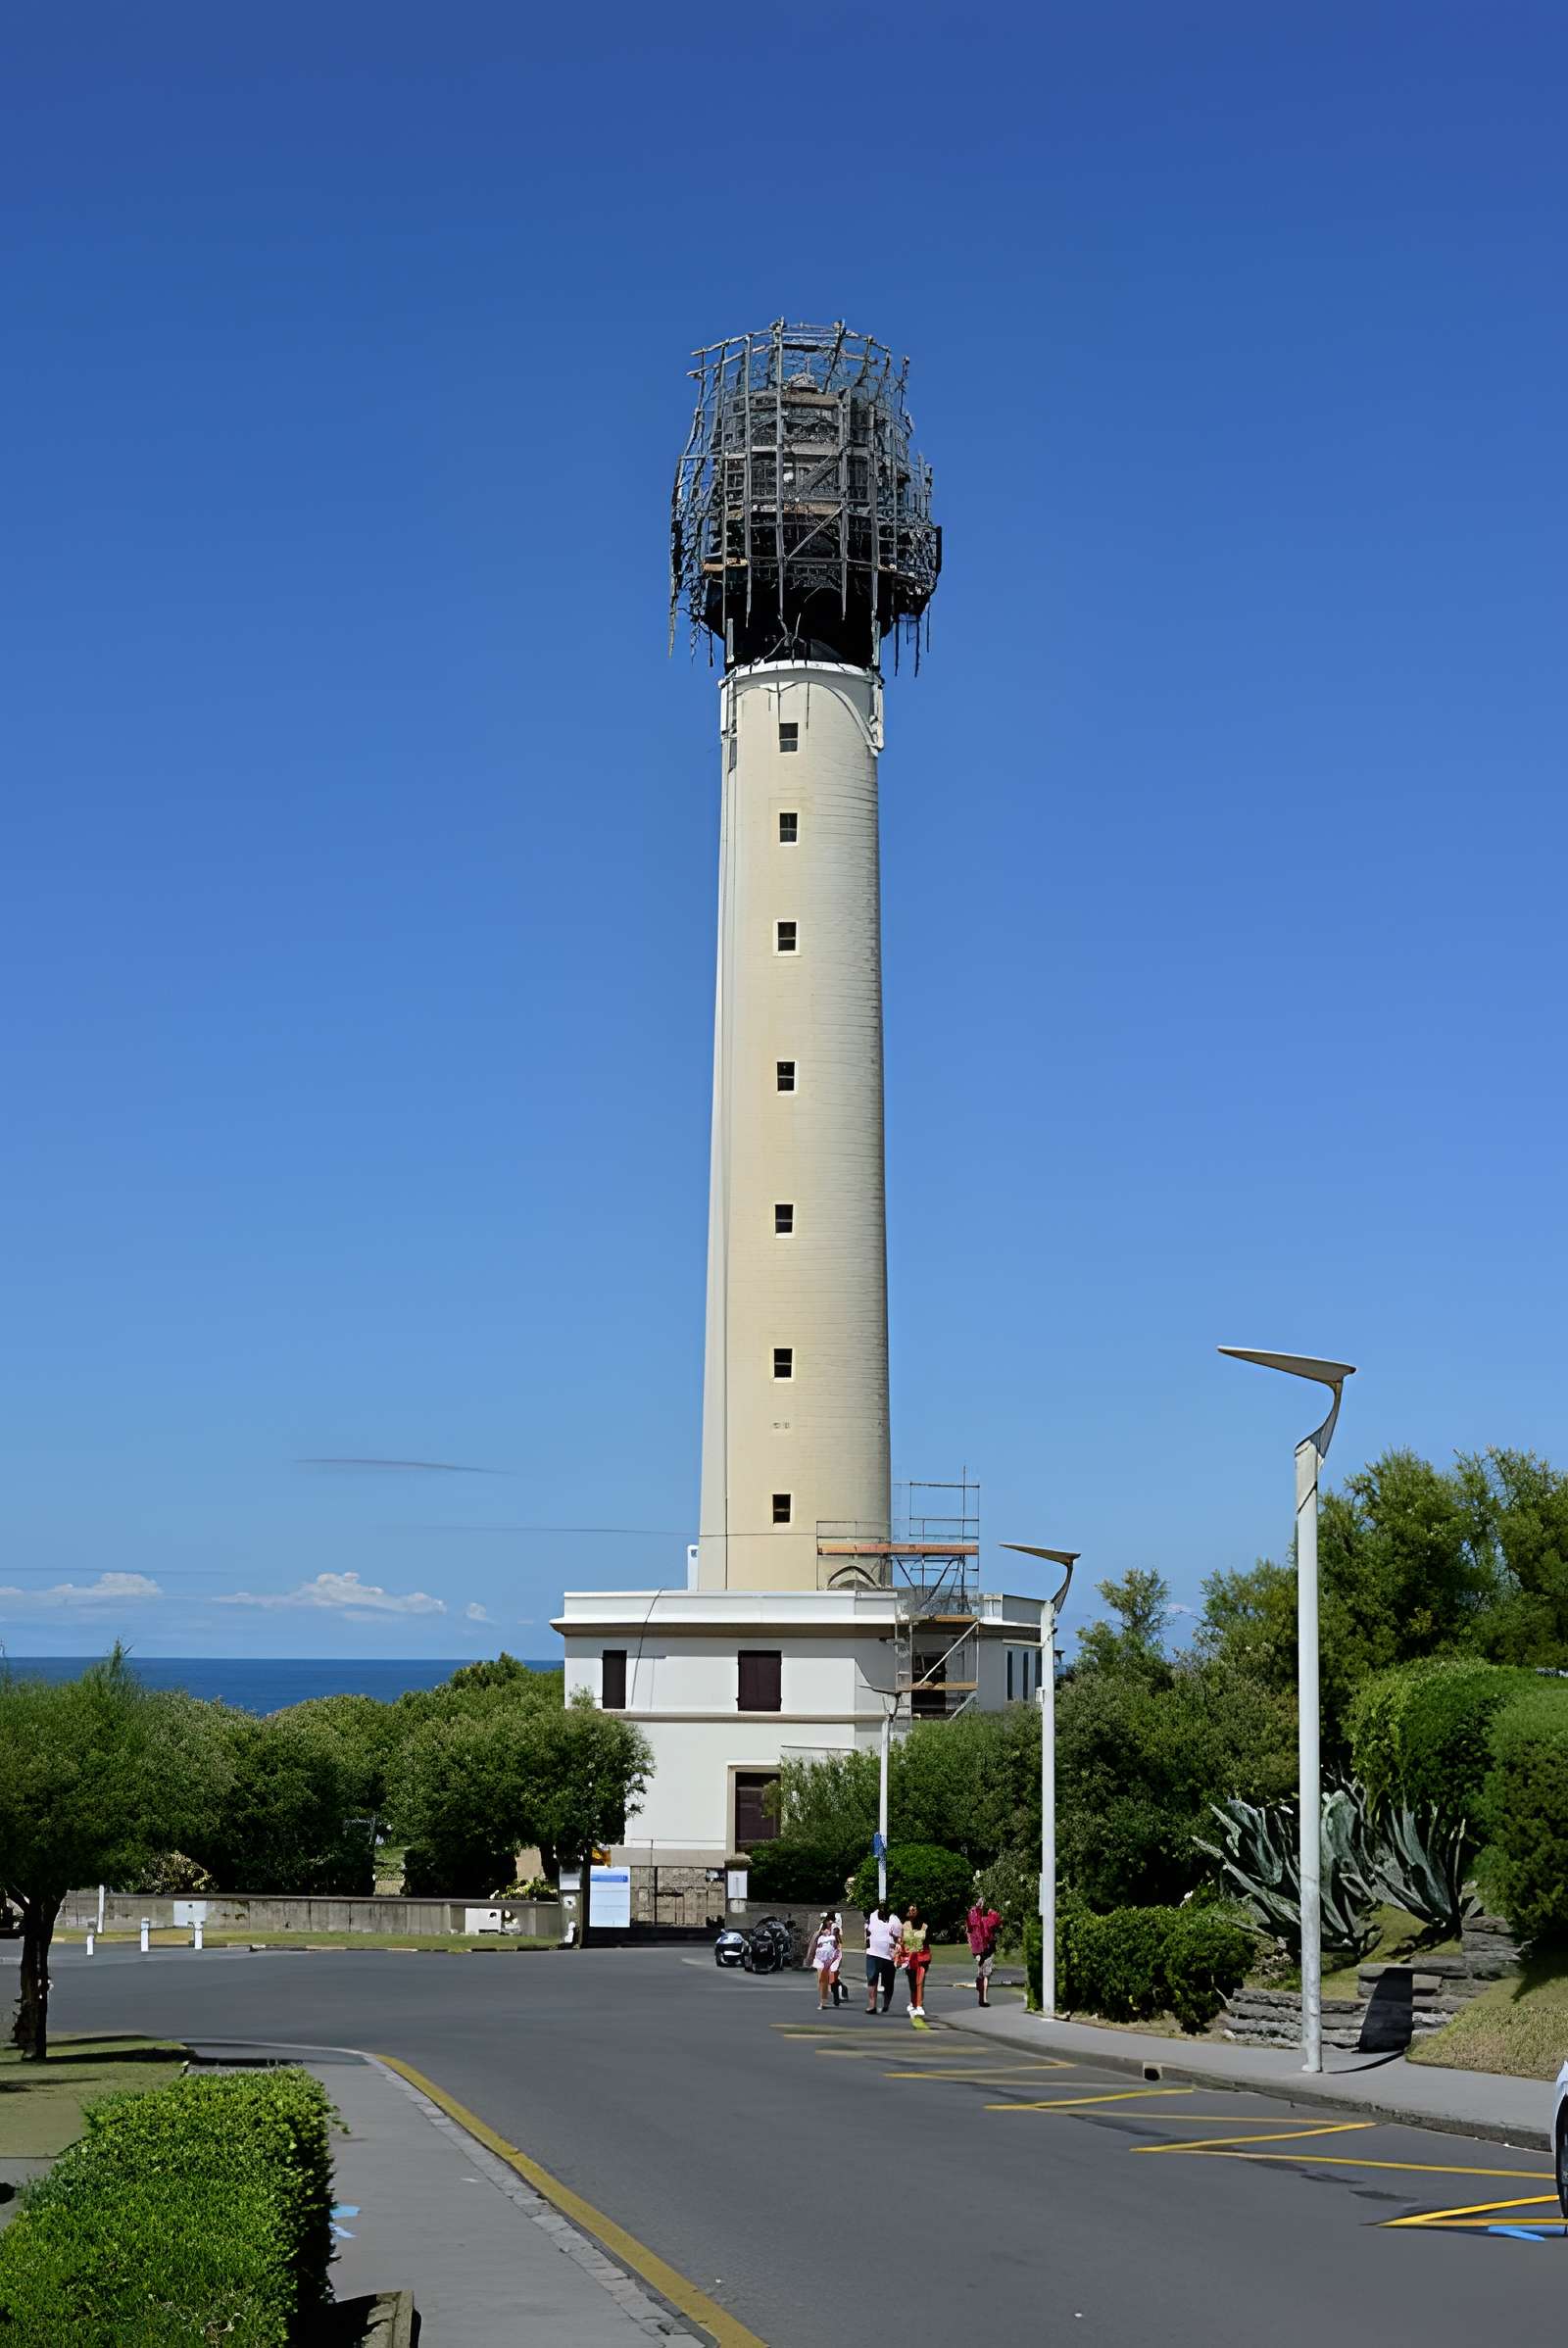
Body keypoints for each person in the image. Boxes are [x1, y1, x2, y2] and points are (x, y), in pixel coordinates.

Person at [864, 1900, 903, 2013]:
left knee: (888, 1982)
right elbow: (868, 1931)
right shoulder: (873, 1916)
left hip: (888, 1956)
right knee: (872, 1978)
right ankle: (872, 2006)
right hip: (873, 1953)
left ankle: (886, 2004)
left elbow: (899, 1938)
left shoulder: (895, 1920)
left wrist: (897, 1951)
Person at [966, 1893, 1003, 2007]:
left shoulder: (988, 1917)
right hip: (979, 1949)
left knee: (986, 1973)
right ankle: (979, 1983)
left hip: (988, 1948)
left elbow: (997, 1922)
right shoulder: (973, 1916)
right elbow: (970, 1930)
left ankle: (984, 1999)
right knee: (981, 1973)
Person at [901, 1901, 932, 2018]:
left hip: (922, 1957)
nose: (912, 1912)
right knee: (912, 1983)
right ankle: (913, 2002)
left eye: (914, 1910)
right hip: (909, 1958)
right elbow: (902, 1942)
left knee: (919, 1982)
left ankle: (919, 2005)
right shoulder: (905, 1925)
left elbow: (927, 1942)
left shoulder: (925, 1926)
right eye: (910, 1911)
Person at [808, 1912, 841, 2011]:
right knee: (822, 1980)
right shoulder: (820, 1931)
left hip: (832, 1958)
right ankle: (823, 2002)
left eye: (832, 1921)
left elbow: (839, 1943)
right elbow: (814, 1943)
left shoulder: (836, 1929)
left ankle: (835, 1995)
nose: (831, 1923)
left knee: (832, 1979)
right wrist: (810, 1956)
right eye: (829, 1921)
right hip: (821, 1958)